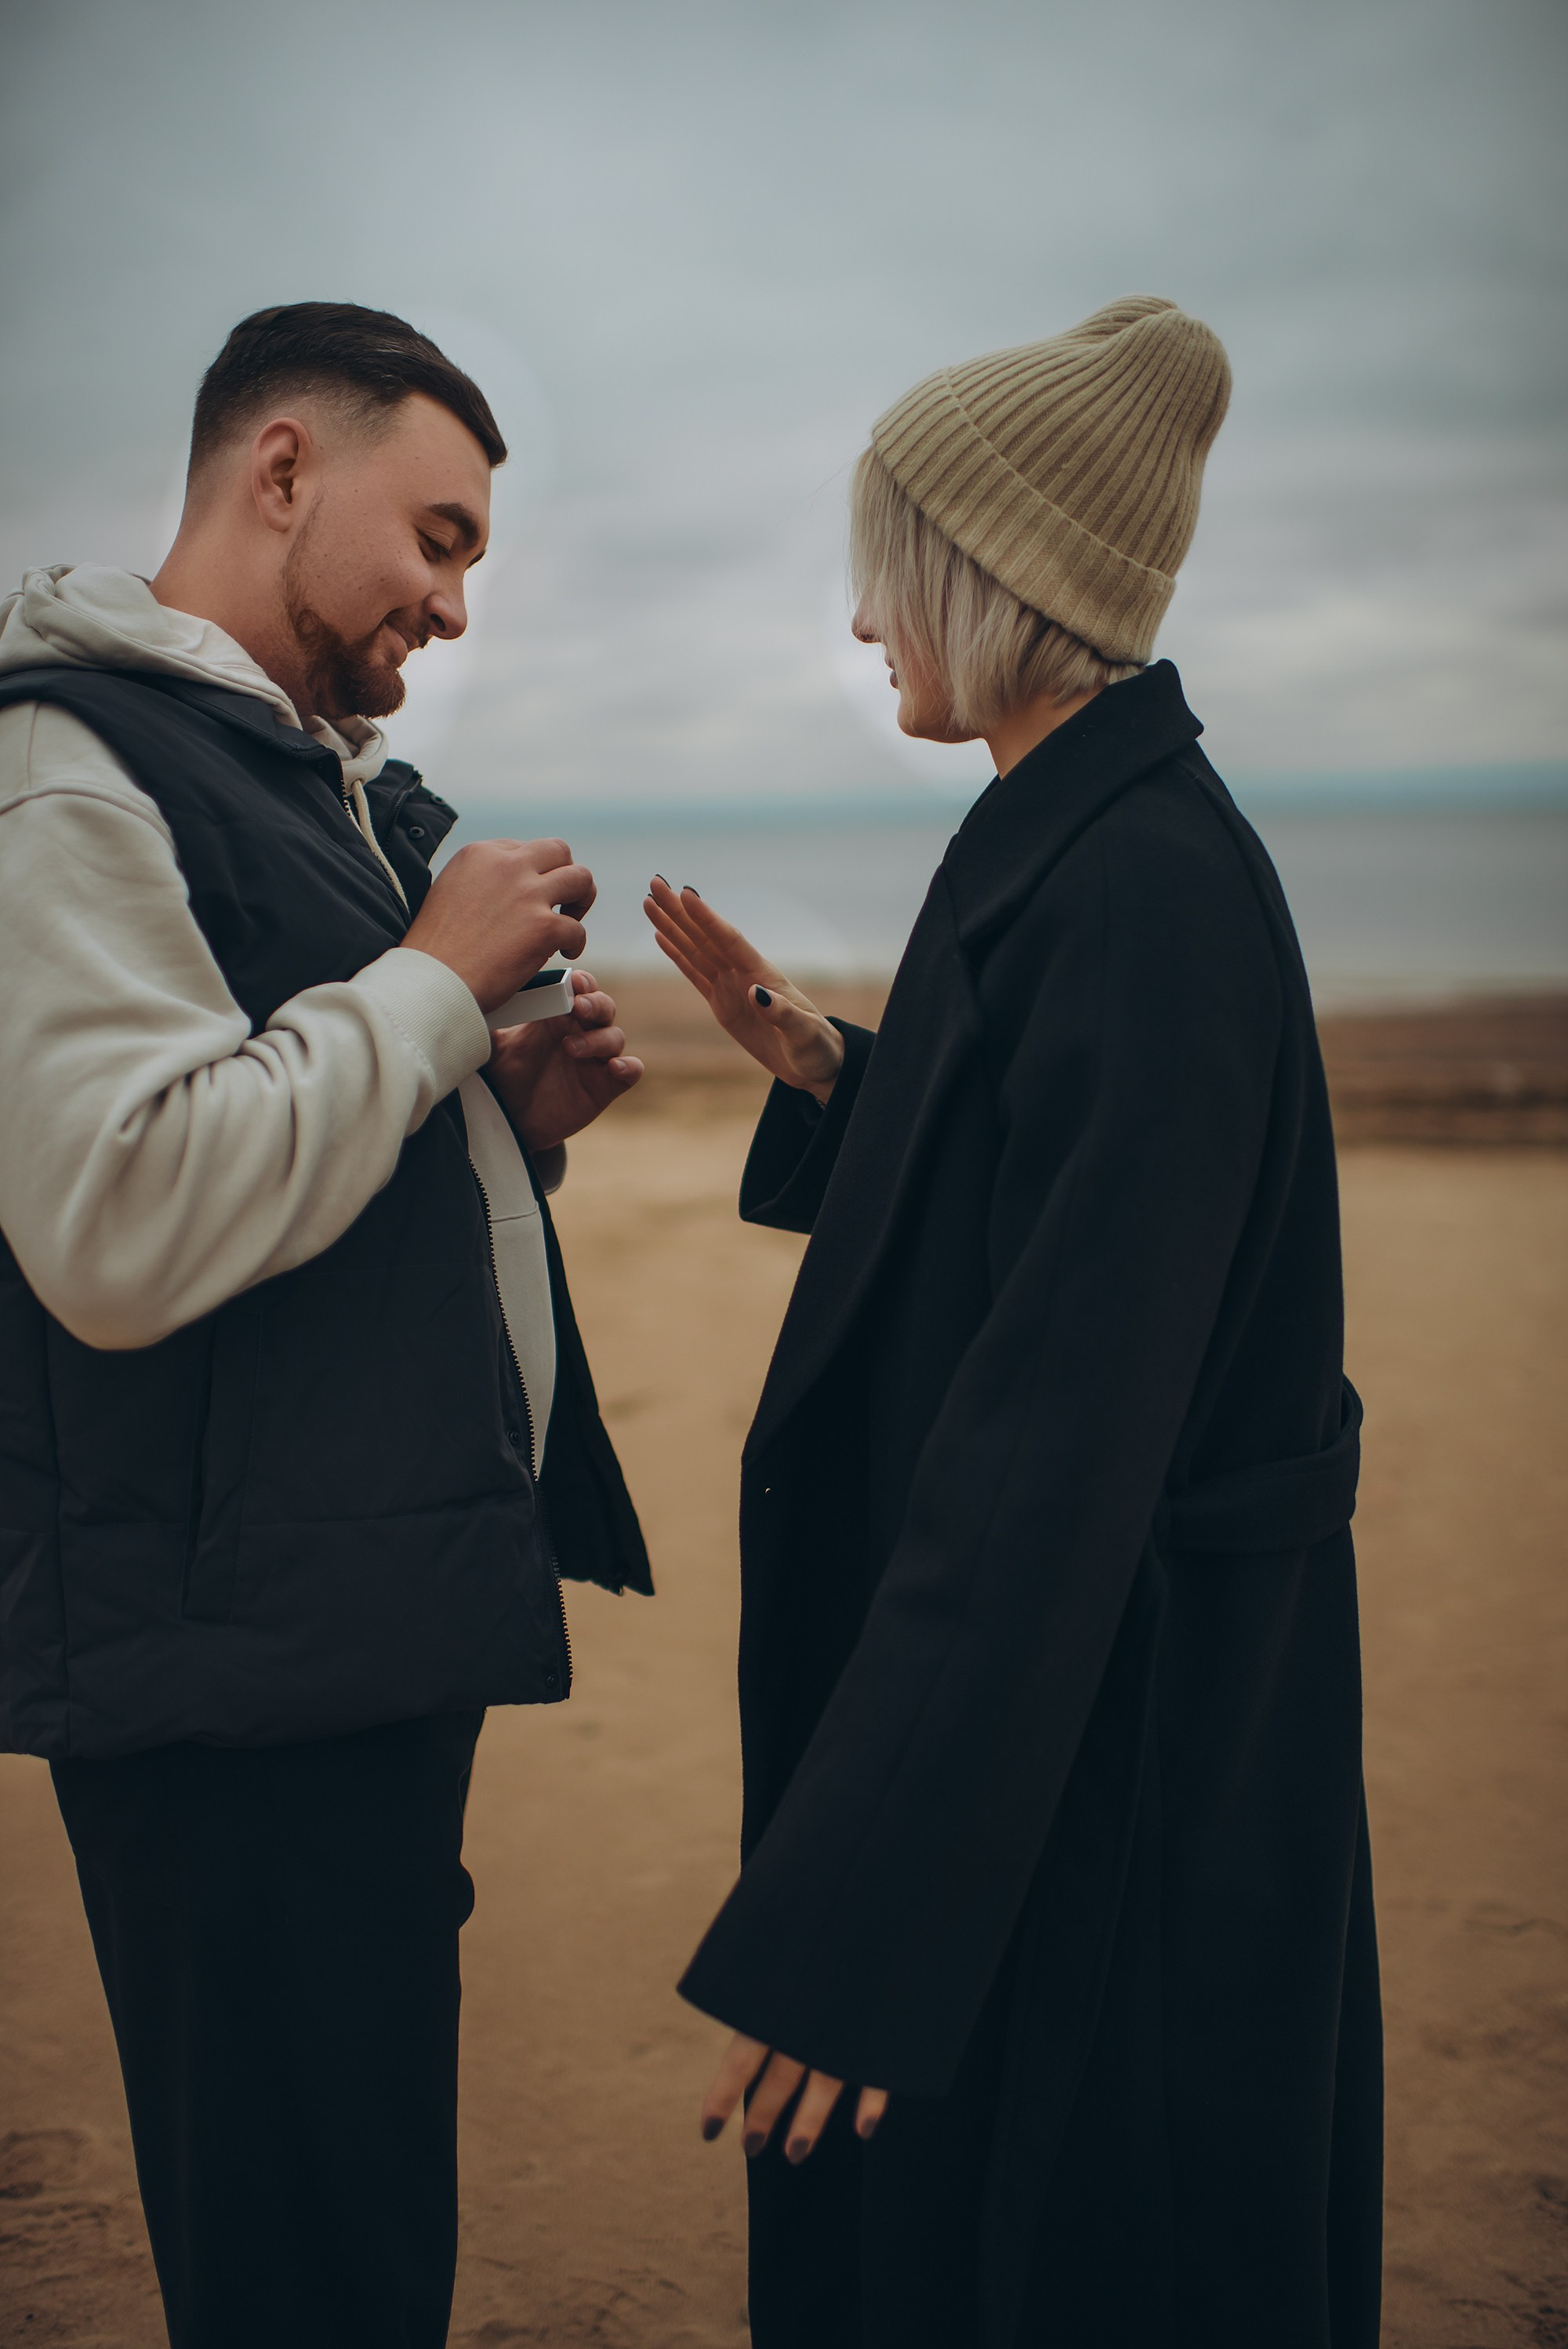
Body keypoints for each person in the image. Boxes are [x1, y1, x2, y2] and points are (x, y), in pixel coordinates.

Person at [645, 297, 1381, 2349]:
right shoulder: (1084, 843)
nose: (865, 618)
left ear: (997, 575)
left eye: (887, 567)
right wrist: (840, 1079)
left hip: (1112, 1767)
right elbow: (1066, 1210)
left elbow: (1060, 1435)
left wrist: (873, 1909)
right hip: (1077, 1726)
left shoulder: (1141, 888)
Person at [0, 301, 652, 2349]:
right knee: (307, 2281)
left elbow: (296, 1168)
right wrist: (435, 991)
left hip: (344, 1634)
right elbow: (116, 1215)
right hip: (229, 1684)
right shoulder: (73, 768)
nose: (453, 602)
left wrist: (498, 1132)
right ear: (281, 469)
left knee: (364, 2254)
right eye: (437, 537)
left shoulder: (315, 778)